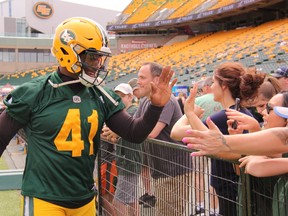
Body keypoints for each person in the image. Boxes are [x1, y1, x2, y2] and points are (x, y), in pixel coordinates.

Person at [0, 17, 176, 216]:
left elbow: (134, 133)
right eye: (92, 57)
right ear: (69, 53)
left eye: (99, 58)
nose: (98, 64)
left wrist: (155, 107)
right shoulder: (36, 92)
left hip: (83, 198)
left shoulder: (100, 95)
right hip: (44, 197)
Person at [174, 62, 265, 215]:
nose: (211, 87)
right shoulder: (236, 113)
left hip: (231, 188)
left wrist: (189, 112)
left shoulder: (226, 116)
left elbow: (176, 132)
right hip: (231, 186)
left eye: (214, 82)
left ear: (224, 85)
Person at [135, 62, 192, 215]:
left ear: (156, 80)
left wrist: (123, 133)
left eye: (142, 77)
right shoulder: (145, 100)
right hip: (160, 169)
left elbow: (151, 133)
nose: (138, 81)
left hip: (173, 171)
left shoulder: (167, 101)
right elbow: (133, 126)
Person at [172, 76, 221, 215]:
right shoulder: (221, 102)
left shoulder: (198, 100)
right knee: (216, 176)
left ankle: (200, 205)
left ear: (206, 88)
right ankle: (214, 209)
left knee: (198, 175)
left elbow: (183, 124)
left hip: (198, 142)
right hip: (220, 142)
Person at [102, 83, 143, 216]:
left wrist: (111, 131)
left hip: (129, 161)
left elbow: (117, 130)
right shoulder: (124, 112)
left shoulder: (132, 111)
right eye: (117, 96)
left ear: (130, 96)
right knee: (130, 199)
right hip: (126, 160)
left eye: (122, 96)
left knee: (119, 201)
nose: (119, 99)